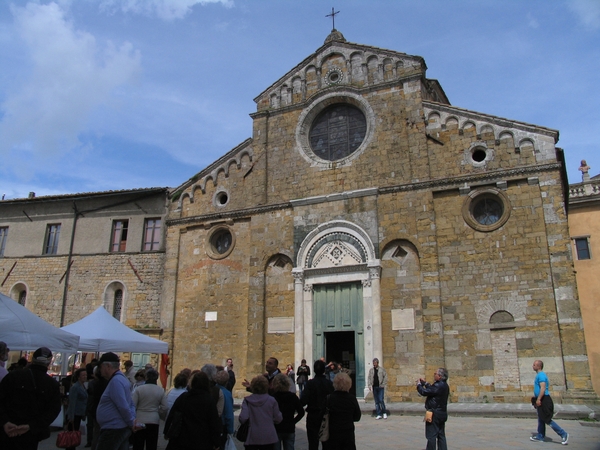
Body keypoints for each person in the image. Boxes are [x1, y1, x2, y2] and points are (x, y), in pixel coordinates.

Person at [0, 347, 61, 450]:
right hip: (30, 434)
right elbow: (53, 410)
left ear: (32, 359)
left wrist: (5, 421)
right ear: (49, 362)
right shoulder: (52, 384)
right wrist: (32, 426)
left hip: (7, 431)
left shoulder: (13, 376)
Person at [164, 371, 221, 450]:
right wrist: (216, 441)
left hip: (182, 438)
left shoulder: (184, 397)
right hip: (202, 440)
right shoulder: (209, 400)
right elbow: (213, 422)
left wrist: (166, 431)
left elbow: (172, 414)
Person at [95, 352, 139, 450]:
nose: (100, 370)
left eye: (101, 367)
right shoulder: (121, 379)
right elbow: (130, 403)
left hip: (113, 429)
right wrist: (132, 419)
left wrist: (132, 422)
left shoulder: (116, 381)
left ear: (108, 366)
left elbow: (123, 406)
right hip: (118, 427)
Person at [530, 360, 569, 444]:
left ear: (539, 366)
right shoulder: (539, 375)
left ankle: (563, 434)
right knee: (541, 418)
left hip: (544, 400)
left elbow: (543, 388)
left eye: (534, 365)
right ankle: (540, 435)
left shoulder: (541, 375)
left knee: (547, 419)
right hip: (542, 399)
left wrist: (539, 399)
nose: (532, 366)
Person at [239, 375, 283, 450]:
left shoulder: (247, 400)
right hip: (269, 436)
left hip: (252, 436)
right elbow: (278, 418)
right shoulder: (272, 400)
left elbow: (243, 418)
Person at [300, 359, 334, 450]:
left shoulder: (310, 384)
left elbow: (303, 400)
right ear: (324, 370)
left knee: (312, 443)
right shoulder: (330, 384)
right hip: (326, 417)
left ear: (314, 370)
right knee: (327, 443)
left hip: (313, 416)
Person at [132, 368, 167, 450]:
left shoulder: (139, 389)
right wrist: (158, 412)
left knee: (138, 444)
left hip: (140, 419)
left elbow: (133, 405)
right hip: (153, 419)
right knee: (151, 444)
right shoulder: (160, 390)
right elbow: (165, 407)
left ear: (146, 377)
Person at [416, 367, 450, 450]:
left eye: (435, 374)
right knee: (441, 434)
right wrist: (425, 383)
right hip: (442, 413)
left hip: (434, 413)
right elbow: (432, 389)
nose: (434, 375)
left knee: (431, 435)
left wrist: (419, 385)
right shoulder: (444, 385)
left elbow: (424, 392)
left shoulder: (438, 385)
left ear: (440, 376)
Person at [326, 372, 361, 450]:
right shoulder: (351, 398)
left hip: (333, 432)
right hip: (347, 433)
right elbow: (357, 416)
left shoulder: (329, 398)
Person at [273, 373, 304, 450]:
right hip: (289, 427)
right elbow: (301, 412)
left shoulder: (274, 397)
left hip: (276, 428)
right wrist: (293, 421)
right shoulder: (292, 396)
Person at [66, 368, 89, 450]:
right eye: (83, 375)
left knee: (75, 433)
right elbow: (72, 402)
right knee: (72, 434)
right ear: (78, 377)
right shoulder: (75, 387)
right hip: (74, 414)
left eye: (85, 375)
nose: (85, 377)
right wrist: (71, 417)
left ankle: (72, 447)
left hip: (79, 413)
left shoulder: (83, 386)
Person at [87, 364, 108, 450]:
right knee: (99, 432)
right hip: (100, 410)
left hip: (95, 409)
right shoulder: (104, 383)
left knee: (97, 431)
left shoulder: (95, 383)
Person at [215, 370, 234, 450]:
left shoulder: (212, 390)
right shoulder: (226, 393)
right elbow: (229, 414)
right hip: (222, 426)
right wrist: (230, 430)